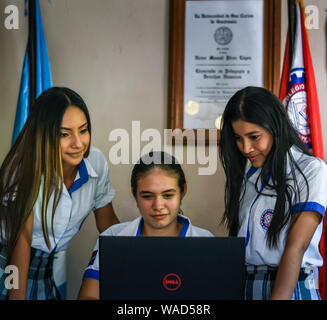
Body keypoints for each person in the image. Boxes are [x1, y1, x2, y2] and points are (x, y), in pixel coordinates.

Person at [0, 87, 119, 300]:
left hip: (44, 273)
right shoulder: (23, 168)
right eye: (64, 134)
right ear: (43, 135)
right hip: (9, 269)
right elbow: (22, 242)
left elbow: (108, 226)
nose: (78, 143)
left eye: (83, 130)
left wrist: (139, 260)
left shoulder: (96, 162)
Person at [219, 86, 327, 300]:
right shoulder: (248, 173)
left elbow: (297, 246)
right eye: (238, 138)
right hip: (245, 285)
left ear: (275, 127)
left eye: (254, 137)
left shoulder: (311, 170)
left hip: (289, 287)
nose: (246, 148)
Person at [78, 151, 213, 300]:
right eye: (147, 196)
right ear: (134, 194)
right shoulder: (112, 237)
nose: (158, 205)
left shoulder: (206, 241)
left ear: (183, 192)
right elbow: (89, 296)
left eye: (168, 195)